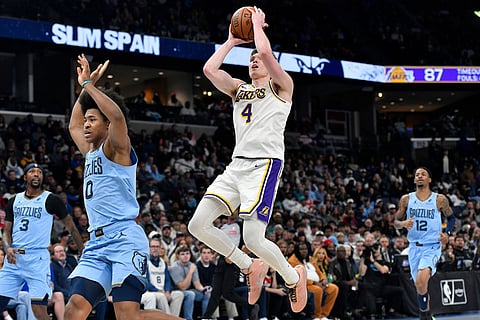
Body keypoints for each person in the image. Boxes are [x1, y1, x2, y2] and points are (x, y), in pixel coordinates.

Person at [188, 6, 307, 314]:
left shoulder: (282, 87)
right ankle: (248, 266)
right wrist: (229, 42)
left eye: (258, 59)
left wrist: (256, 26)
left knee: (253, 236)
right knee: (197, 224)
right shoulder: (239, 90)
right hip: (236, 165)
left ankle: (293, 278)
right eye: (251, 59)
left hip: (264, 165)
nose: (255, 60)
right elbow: (210, 71)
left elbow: (267, 53)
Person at [65, 54, 180, 320]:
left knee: (128, 315)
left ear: (106, 125)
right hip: (96, 243)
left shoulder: (117, 149)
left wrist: (88, 86)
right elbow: (72, 124)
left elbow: (117, 117)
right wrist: (86, 92)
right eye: (87, 119)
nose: (86, 124)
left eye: (93, 119)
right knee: (74, 309)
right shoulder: (90, 152)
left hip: (124, 239)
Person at [0, 163, 83, 320]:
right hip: (14, 258)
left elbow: (71, 226)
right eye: (32, 171)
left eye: (39, 172)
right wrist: (7, 247)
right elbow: (7, 232)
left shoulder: (52, 200)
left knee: (38, 310)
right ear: (25, 177)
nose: (36, 174)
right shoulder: (14, 200)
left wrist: (81, 250)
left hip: (37, 259)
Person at [394, 167, 454, 320]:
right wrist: (403, 224)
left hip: (432, 246)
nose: (420, 176)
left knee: (421, 280)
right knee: (419, 285)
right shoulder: (406, 199)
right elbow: (395, 221)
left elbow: (451, 217)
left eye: (423, 174)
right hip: (414, 247)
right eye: (417, 175)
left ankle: (422, 316)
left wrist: (447, 234)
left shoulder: (439, 199)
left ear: (429, 180)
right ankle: (426, 313)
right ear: (414, 180)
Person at [288, 242, 339, 320]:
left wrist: (323, 279)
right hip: (305, 285)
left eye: (305, 249)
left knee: (334, 288)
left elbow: (319, 271)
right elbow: (297, 277)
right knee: (317, 290)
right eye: (301, 249)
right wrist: (314, 282)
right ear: (297, 250)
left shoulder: (311, 259)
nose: (304, 251)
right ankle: (316, 315)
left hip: (319, 283)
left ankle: (324, 314)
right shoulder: (292, 261)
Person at [141, 238, 183, 317]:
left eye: (157, 247)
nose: (155, 249)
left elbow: (167, 280)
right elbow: (145, 281)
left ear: (160, 248)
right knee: (161, 296)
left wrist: (167, 291)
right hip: (151, 291)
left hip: (163, 291)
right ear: (149, 248)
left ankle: (173, 317)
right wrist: (158, 291)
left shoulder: (163, 262)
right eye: (153, 247)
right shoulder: (145, 262)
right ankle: (170, 318)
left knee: (178, 294)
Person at [168, 245, 211, 320]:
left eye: (187, 253)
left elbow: (197, 284)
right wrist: (190, 272)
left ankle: (205, 318)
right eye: (182, 254)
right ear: (178, 256)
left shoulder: (192, 265)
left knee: (206, 294)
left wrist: (204, 289)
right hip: (176, 291)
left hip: (188, 290)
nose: (185, 256)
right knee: (190, 294)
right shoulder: (174, 267)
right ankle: (188, 318)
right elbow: (182, 287)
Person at [50, 244, 76, 320]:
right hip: (63, 294)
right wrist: (68, 293)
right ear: (53, 256)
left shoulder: (69, 266)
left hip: (72, 293)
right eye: (57, 252)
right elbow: (55, 286)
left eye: (62, 251)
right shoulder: (52, 267)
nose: (61, 253)